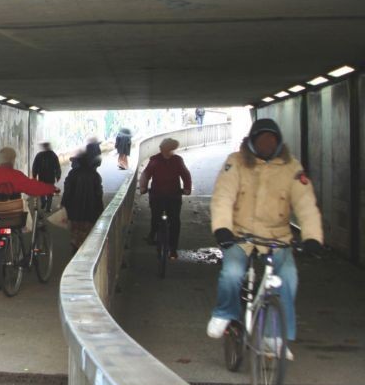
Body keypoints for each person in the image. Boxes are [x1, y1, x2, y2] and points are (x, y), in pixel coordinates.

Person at [206, 118, 324, 359]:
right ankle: (225, 313)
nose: (267, 143)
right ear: (252, 142)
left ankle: (274, 336)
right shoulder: (236, 163)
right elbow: (223, 197)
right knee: (232, 273)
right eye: (261, 139)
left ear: (278, 142)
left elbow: (306, 205)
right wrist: (222, 229)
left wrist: (312, 237)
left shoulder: (292, 168)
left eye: (271, 139)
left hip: (276, 237)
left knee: (288, 278)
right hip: (241, 235)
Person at [0, 147, 59, 291]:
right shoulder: (14, 175)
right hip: (6, 217)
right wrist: (51, 189)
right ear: (12, 160)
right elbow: (32, 187)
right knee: (1, 246)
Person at [139, 138, 192, 259]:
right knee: (155, 217)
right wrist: (143, 187)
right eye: (167, 150)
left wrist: (187, 188)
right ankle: (152, 234)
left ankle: (173, 249)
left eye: (171, 150)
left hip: (174, 195)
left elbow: (185, 174)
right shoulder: (154, 160)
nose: (170, 153)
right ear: (162, 149)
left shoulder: (178, 160)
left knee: (175, 222)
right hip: (157, 195)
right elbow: (145, 175)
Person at [61, 147, 104, 253]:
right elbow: (98, 194)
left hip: (74, 211)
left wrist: (64, 204)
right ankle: (84, 251)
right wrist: (100, 209)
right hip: (90, 211)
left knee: (75, 231)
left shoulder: (73, 174)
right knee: (87, 233)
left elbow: (67, 191)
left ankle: (75, 247)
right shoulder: (95, 175)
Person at [32, 142, 61, 213]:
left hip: (42, 176)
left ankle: (44, 202)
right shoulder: (53, 155)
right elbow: (57, 166)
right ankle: (48, 208)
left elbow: (35, 166)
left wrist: (34, 175)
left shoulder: (39, 155)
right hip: (50, 177)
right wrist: (58, 175)